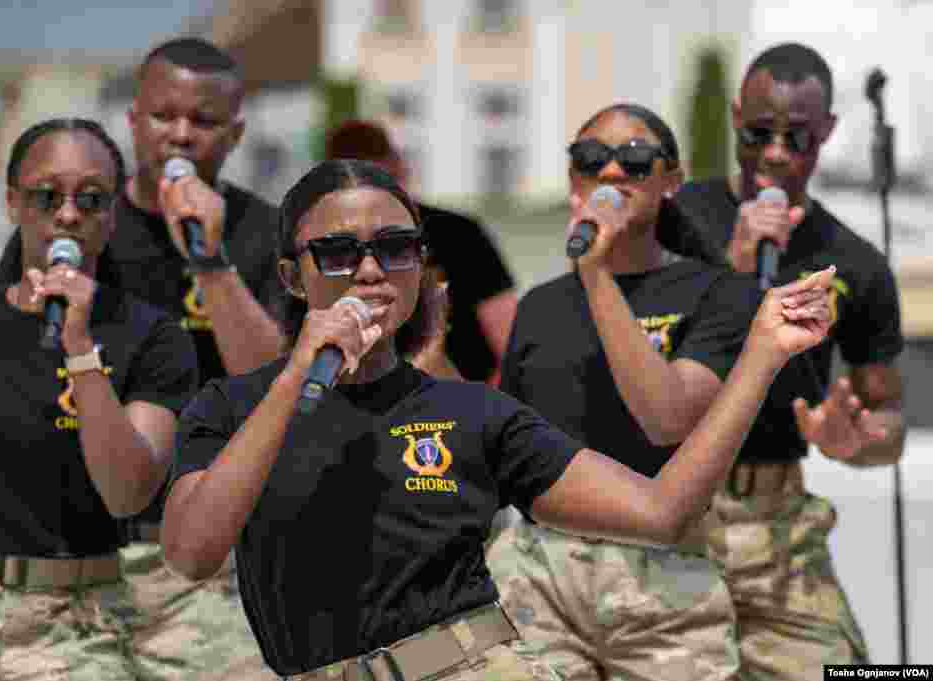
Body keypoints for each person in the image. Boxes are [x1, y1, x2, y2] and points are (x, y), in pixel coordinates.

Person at [160, 158, 836, 680]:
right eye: (337, 253)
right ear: (290, 275)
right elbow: (191, 552)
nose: (369, 270)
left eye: (395, 247)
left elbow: (662, 510)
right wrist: (295, 377)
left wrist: (761, 356)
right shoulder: (230, 409)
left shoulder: (471, 413)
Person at [0, 37, 284, 681]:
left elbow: (274, 389)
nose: (180, 136)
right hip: (75, 554)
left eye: (203, 122)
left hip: (209, 566)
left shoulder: (264, 233)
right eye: (162, 116)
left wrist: (209, 260)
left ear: (235, 133)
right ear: (132, 121)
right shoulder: (74, 227)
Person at [0, 118, 199, 679]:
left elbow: (127, 492)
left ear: (111, 216)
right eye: (47, 195)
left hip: (75, 619)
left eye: (91, 199)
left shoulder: (153, 338)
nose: (68, 214)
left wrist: (82, 350)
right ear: (14, 202)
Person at [484, 103, 759, 681]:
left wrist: (597, 275)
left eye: (634, 160)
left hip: (664, 581)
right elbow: (506, 456)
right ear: (573, 180)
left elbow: (669, 418)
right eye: (591, 159)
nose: (611, 173)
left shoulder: (720, 295)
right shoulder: (541, 306)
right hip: (538, 574)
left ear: (671, 181)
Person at [659, 43, 906, 678]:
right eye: (757, 133)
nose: (774, 153)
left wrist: (853, 439)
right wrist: (733, 272)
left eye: (798, 138)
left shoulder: (854, 261)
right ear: (736, 116)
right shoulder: (671, 223)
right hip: (667, 515)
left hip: (777, 528)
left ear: (826, 134)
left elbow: (888, 422)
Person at [324, 119, 517, 383]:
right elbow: (509, 344)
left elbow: (509, 348)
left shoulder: (457, 234)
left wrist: (485, 412)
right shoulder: (459, 231)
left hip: (456, 399)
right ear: (400, 166)